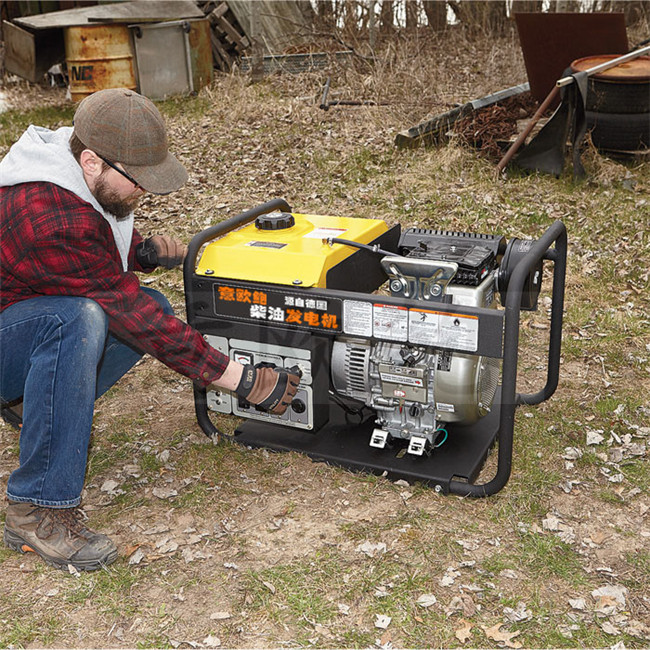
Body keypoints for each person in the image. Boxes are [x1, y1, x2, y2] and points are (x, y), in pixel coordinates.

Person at [0, 88, 300, 572]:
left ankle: (36, 402)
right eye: (138, 181)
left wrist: (140, 252)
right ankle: (35, 509)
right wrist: (241, 380)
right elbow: (123, 304)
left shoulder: (68, 160)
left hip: (15, 320)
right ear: (94, 161)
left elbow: (96, 233)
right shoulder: (47, 214)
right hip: (12, 331)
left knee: (137, 307)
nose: (144, 192)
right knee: (80, 319)